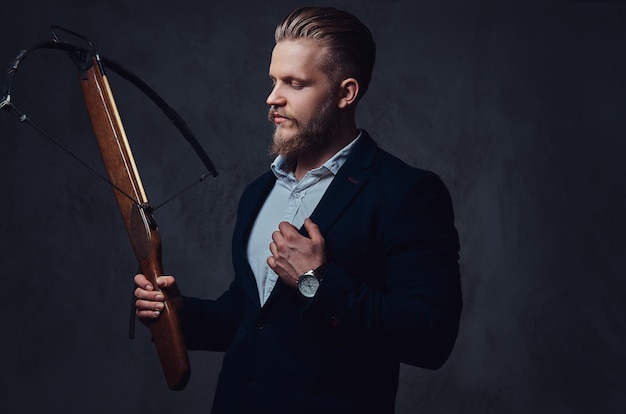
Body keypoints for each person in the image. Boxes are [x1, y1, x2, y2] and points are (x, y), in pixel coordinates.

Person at [135, 6, 462, 414]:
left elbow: (432, 338)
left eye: (295, 83)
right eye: (273, 80)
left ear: (346, 93)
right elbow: (252, 316)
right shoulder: (259, 192)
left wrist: (316, 280)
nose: (273, 97)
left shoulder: (406, 193)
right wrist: (180, 313)